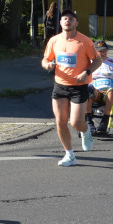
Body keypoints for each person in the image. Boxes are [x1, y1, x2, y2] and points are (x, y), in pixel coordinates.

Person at [41, 9, 101, 167]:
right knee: (60, 122)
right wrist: (48, 64)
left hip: (79, 86)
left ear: (76, 23)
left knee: (75, 123)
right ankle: (69, 155)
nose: (67, 21)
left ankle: (86, 129)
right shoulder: (54, 41)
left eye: (71, 19)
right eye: (64, 19)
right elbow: (46, 59)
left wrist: (87, 72)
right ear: (60, 23)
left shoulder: (85, 41)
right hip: (60, 85)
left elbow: (97, 60)